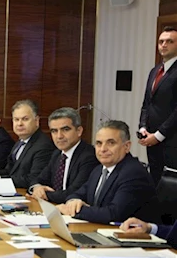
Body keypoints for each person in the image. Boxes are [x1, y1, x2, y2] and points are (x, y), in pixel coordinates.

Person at [58, 120, 156, 224]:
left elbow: (113, 214)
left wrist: (74, 211)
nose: (103, 149)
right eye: (99, 143)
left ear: (126, 146)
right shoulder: (98, 169)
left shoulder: (133, 173)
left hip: (128, 232)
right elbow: (78, 194)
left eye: (111, 143)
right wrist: (73, 202)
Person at [0, 99, 54, 189]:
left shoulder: (43, 145)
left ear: (36, 121)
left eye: (25, 119)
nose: (19, 124)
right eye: (16, 119)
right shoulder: (20, 142)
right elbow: (10, 171)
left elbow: (34, 179)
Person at [28, 107, 98, 204]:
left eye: (65, 129)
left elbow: (73, 193)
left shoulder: (89, 156)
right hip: (55, 206)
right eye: (54, 131)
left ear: (79, 131)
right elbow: (38, 179)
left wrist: (44, 194)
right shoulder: (57, 154)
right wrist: (37, 187)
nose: (59, 136)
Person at [138, 26, 177, 184]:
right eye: (161, 41)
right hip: (151, 139)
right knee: (154, 181)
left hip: (171, 141)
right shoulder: (154, 71)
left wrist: (159, 135)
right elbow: (147, 103)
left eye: (170, 41)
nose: (164, 45)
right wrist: (143, 127)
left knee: (170, 185)